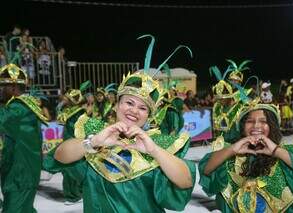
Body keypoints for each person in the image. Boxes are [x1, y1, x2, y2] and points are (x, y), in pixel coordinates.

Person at [43, 35, 196, 212]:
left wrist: (153, 150)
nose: (134, 111)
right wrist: (93, 142)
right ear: (116, 105)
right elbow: (59, 155)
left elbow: (185, 181)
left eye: (142, 108)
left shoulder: (157, 143)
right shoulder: (98, 132)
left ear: (149, 116)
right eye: (129, 103)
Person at [198, 98, 293, 212]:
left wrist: (276, 151)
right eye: (250, 121)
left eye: (264, 121)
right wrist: (232, 149)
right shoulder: (230, 157)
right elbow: (206, 169)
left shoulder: (288, 154)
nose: (256, 126)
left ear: (273, 126)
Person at [0, 64, 48, 212]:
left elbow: (3, 120)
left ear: (13, 87)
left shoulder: (19, 108)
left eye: (3, 85)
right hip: (18, 172)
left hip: (20, 175)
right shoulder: (22, 106)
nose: (0, 89)